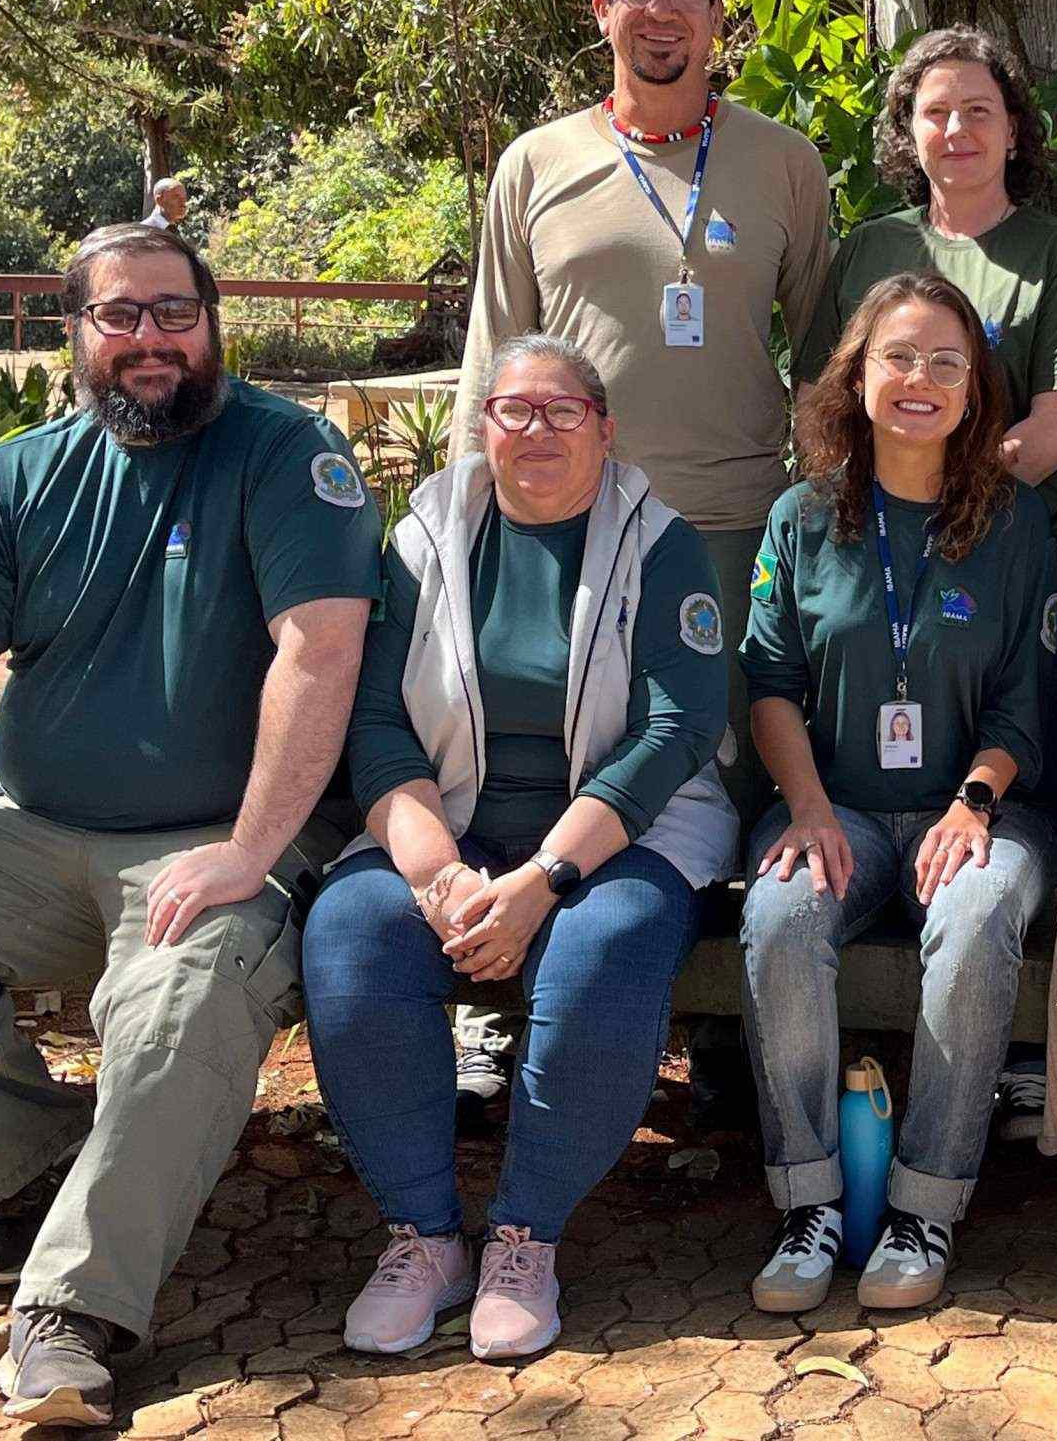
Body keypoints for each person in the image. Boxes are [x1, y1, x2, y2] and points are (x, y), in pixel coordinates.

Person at [0, 224, 380, 1426]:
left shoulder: (286, 456)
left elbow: (318, 652)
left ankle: (72, 1316)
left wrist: (248, 852)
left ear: (213, 324)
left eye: (175, 312)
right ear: (78, 332)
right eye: (121, 316)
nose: (151, 339)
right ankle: (37, 1174)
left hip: (222, 836)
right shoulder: (18, 478)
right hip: (38, 826)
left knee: (180, 999)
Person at [451, 0, 829, 1115]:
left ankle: (721, 1010)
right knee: (562, 748)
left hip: (733, 519)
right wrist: (473, 518)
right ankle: (502, 1001)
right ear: (598, 8)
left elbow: (829, 356)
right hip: (575, 521)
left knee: (728, 757)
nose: (661, 11)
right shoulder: (538, 164)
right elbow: (493, 357)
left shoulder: (781, 159)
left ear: (719, 16)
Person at [306, 335, 735, 1362]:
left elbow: (677, 727)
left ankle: (523, 1237)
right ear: (481, 424)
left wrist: (544, 881)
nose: (536, 430)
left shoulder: (658, 539)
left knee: (608, 945)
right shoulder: (422, 536)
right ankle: (422, 1236)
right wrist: (434, 870)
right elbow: (371, 720)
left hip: (618, 829)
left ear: (604, 429)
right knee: (352, 933)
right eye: (514, 410)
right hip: (447, 820)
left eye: (562, 411)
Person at [793, 25, 1057, 1143]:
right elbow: (827, 396)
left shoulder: (1056, 253)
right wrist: (877, 502)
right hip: (872, 545)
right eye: (935, 110)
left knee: (1026, 770)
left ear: (1013, 128)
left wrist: (955, 494)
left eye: (979, 109)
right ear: (908, 130)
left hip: (1019, 547)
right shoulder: (870, 248)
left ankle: (1025, 1043)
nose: (956, 129)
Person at [739, 273, 1057, 1314]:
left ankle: (925, 1205)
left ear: (975, 389)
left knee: (971, 918)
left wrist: (973, 802)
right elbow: (770, 682)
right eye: (898, 357)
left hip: (979, 809)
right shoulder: (801, 517)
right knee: (781, 914)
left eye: (945, 362)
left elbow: (1025, 698)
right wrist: (810, 810)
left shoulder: (1014, 524)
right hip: (834, 808)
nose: (919, 379)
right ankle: (808, 1201)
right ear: (857, 375)